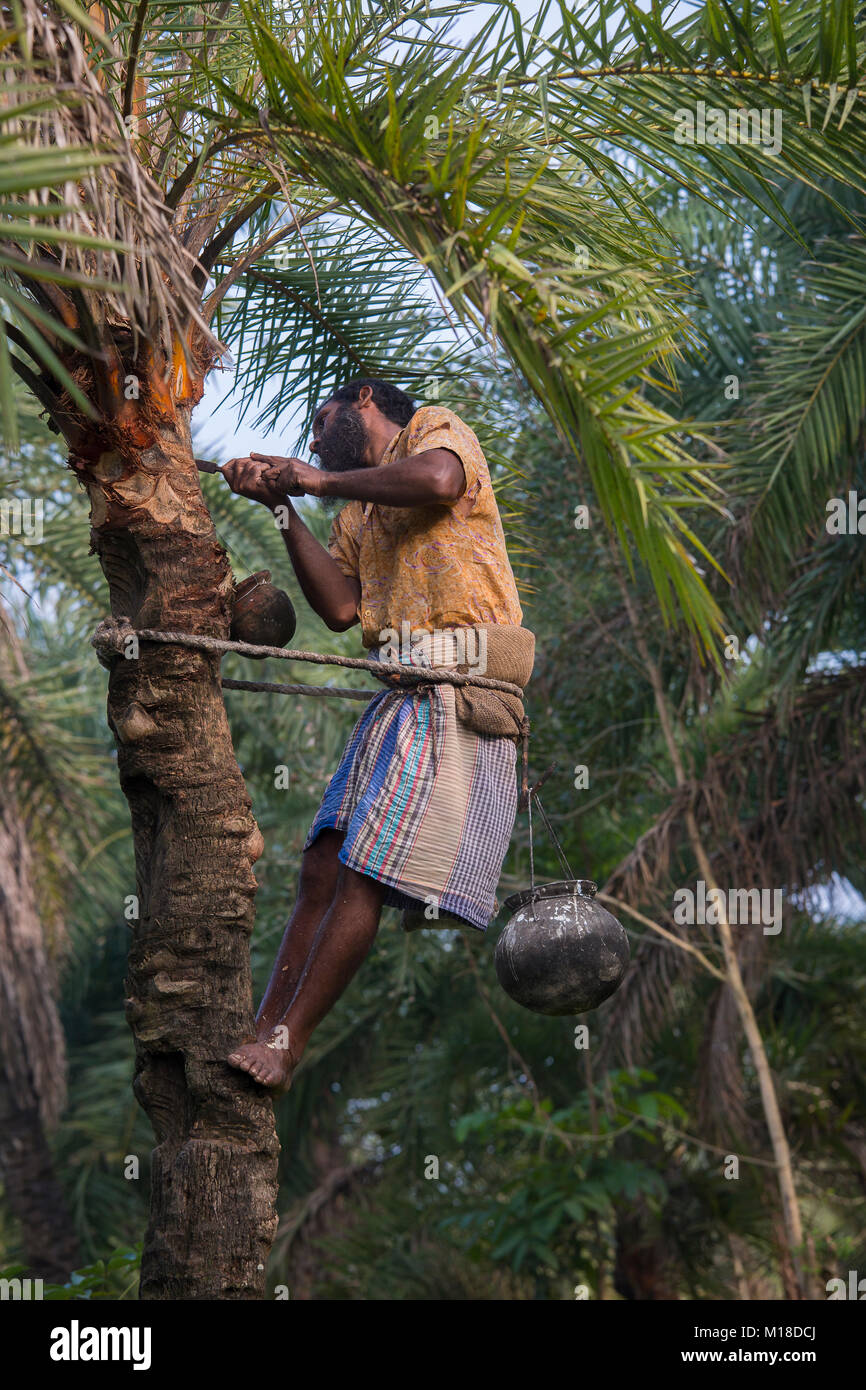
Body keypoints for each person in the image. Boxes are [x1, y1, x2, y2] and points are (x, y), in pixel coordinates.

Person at [220, 378, 534, 1090]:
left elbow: (439, 479)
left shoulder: (434, 429)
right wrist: (281, 508)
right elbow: (339, 608)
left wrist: (317, 477)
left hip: (459, 685)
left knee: (363, 868)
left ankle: (288, 1046)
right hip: (403, 692)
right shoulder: (357, 510)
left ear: (363, 398)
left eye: (320, 422)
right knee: (321, 866)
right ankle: (264, 1028)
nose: (311, 440)